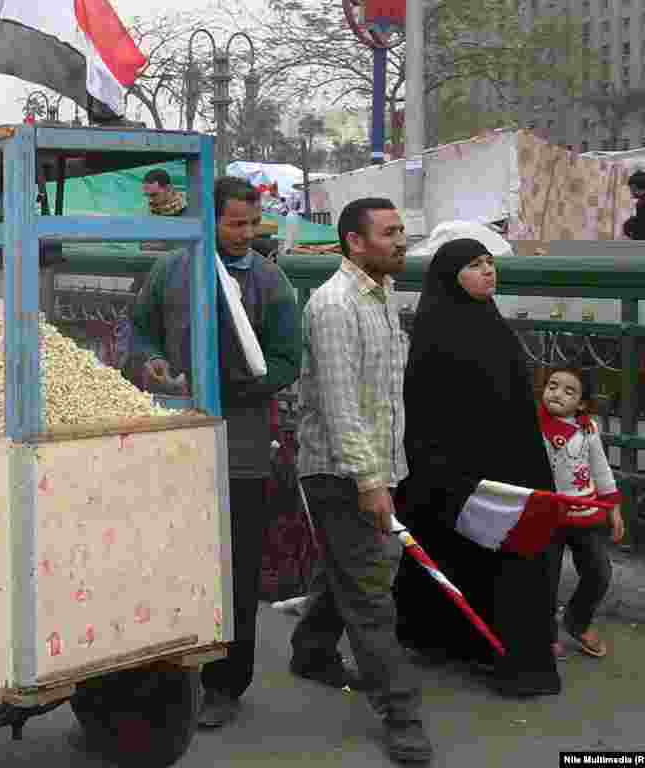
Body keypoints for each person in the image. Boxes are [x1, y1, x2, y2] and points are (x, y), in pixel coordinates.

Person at [130, 176, 301, 728]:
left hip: (242, 445)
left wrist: (244, 383)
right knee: (168, 558)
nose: (246, 235)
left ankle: (228, 683)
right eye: (235, 224)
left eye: (253, 224)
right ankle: (164, 674)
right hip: (176, 437)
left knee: (236, 566)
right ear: (208, 219)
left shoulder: (271, 282)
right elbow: (139, 332)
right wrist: (150, 361)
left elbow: (286, 359)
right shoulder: (172, 271)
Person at [393, 224, 562, 698]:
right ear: (451, 276)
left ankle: (511, 654)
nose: (487, 271)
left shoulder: (488, 319)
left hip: (507, 463)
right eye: (474, 265)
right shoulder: (436, 329)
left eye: (489, 263)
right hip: (459, 470)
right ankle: (459, 642)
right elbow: (428, 407)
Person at [292, 197, 432, 763]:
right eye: (389, 232)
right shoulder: (334, 306)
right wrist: (372, 482)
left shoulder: (382, 295)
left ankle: (310, 650)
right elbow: (340, 407)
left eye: (402, 231)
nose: (400, 241)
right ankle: (401, 713)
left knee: (346, 569)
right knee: (371, 592)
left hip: (375, 466)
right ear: (354, 241)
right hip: (341, 472)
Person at [540, 367, 624, 659]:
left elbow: (600, 470)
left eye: (568, 390)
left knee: (599, 571)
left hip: (585, 515)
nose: (557, 393)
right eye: (552, 385)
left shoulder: (588, 430)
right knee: (544, 577)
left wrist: (613, 509)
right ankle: (544, 633)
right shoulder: (533, 426)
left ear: (582, 403)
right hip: (546, 516)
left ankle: (577, 621)